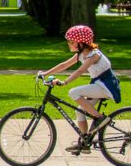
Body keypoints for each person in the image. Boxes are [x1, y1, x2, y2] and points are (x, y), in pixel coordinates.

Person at [42, 24, 122, 153]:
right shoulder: (81, 54)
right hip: (98, 85)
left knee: (73, 92)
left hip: (106, 86)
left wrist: (64, 82)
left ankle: (100, 118)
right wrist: (44, 73)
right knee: (80, 111)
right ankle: (85, 141)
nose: (69, 44)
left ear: (81, 43)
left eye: (71, 42)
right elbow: (64, 65)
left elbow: (80, 71)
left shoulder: (94, 55)